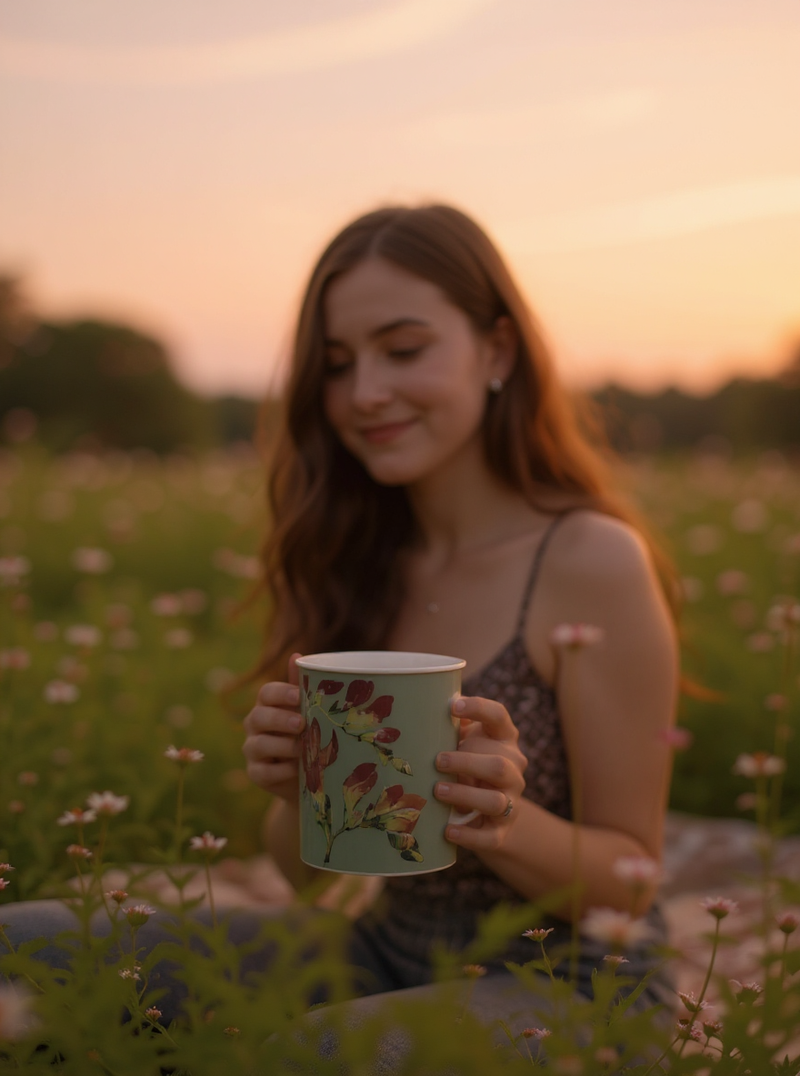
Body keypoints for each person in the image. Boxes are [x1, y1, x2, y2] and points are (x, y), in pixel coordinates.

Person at [240, 203, 679, 1049]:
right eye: (336, 364)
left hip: (576, 982)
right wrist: (294, 790)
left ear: (498, 351)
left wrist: (499, 819)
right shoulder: (349, 555)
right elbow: (306, 880)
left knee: (304, 1053)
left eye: (403, 350)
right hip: (384, 949)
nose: (364, 394)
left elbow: (629, 881)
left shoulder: (590, 559)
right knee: (37, 954)